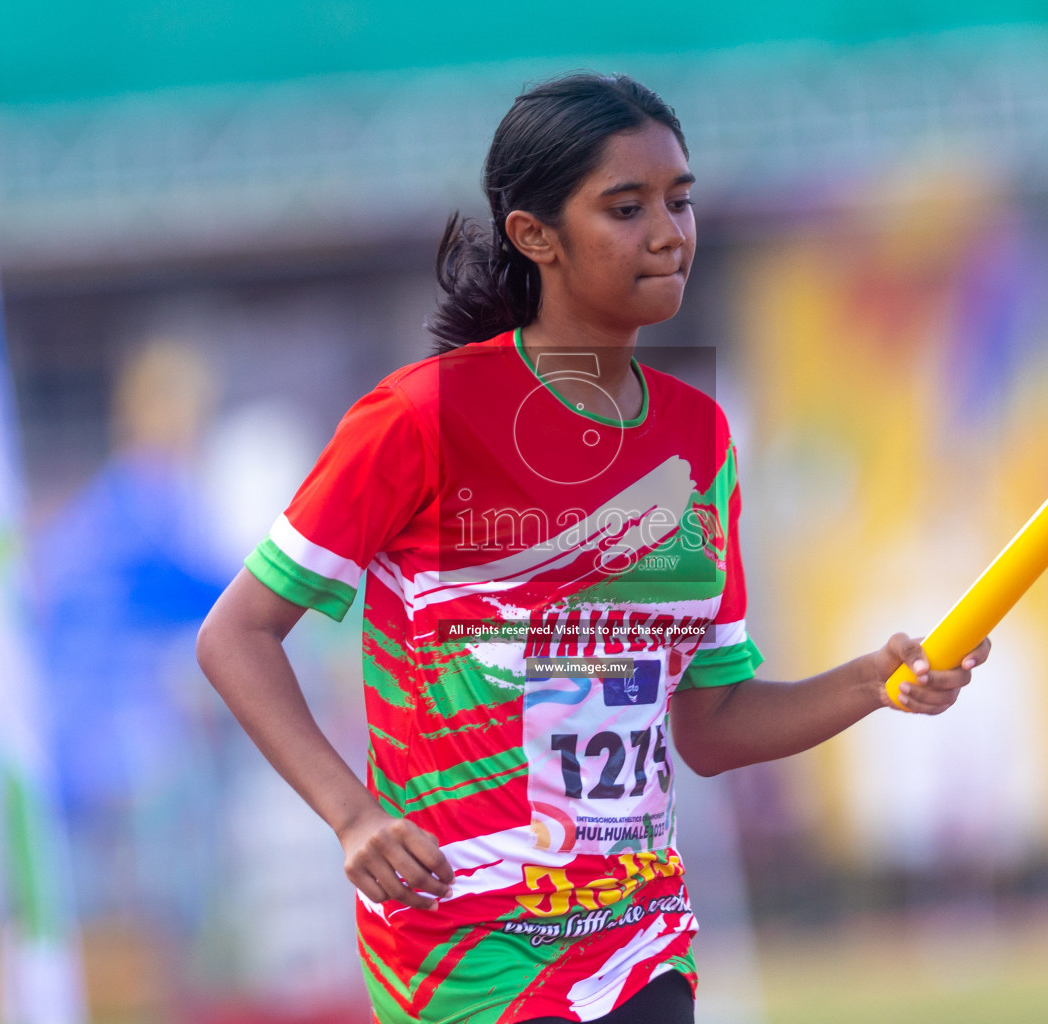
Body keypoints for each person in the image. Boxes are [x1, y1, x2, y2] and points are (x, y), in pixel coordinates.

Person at [195, 73, 990, 1024]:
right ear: (536, 236)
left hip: (640, 940)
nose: (669, 232)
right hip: (466, 952)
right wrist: (352, 812)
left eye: (681, 201)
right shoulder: (422, 417)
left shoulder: (697, 440)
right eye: (627, 207)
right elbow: (237, 635)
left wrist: (874, 681)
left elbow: (711, 723)